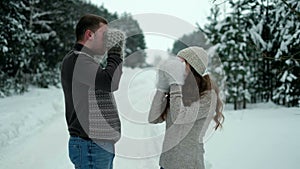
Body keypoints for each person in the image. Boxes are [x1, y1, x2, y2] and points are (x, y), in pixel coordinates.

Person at [61, 14, 125, 169]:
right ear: (89, 35)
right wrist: (115, 51)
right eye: (105, 35)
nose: (107, 40)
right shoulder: (78, 61)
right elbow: (109, 82)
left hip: (94, 145)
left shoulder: (82, 60)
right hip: (90, 145)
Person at [149, 46, 224, 169]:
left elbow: (180, 116)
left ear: (194, 68)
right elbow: (153, 118)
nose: (177, 67)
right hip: (166, 164)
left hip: (189, 164)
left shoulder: (208, 97)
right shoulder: (178, 92)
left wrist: (175, 83)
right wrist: (161, 88)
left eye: (182, 63)